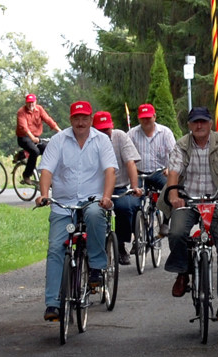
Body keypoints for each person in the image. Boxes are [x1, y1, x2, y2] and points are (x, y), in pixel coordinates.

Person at [160, 106, 218, 322]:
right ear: (189, 125)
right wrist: (173, 197)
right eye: (195, 122)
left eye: (203, 122)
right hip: (188, 199)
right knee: (177, 233)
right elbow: (174, 173)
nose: (199, 126)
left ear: (210, 123)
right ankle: (183, 273)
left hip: (217, 200)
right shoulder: (182, 144)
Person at [35, 101, 118, 321]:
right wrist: (44, 194)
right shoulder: (58, 141)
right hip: (64, 204)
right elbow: (46, 170)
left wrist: (107, 197)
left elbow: (110, 171)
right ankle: (53, 303)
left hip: (92, 200)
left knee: (93, 215)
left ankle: (96, 268)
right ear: (70, 120)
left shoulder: (101, 141)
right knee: (55, 249)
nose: (80, 122)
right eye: (76, 118)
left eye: (84, 118)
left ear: (91, 119)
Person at [92, 111, 142, 265]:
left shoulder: (120, 137)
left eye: (106, 129)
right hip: (97, 188)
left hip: (119, 186)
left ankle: (120, 245)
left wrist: (134, 186)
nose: (104, 133)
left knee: (125, 208)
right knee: (91, 214)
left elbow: (130, 162)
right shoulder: (89, 140)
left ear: (112, 126)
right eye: (100, 130)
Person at [127, 103, 176, 235]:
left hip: (160, 172)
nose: (146, 120)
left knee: (170, 190)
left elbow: (175, 154)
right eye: (143, 118)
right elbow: (125, 156)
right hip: (140, 174)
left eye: (148, 117)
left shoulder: (165, 133)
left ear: (154, 116)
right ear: (138, 118)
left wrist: (169, 168)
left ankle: (165, 222)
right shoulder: (132, 134)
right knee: (131, 203)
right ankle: (137, 234)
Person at [16, 93, 61, 185]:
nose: (31, 104)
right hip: (24, 137)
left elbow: (48, 120)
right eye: (29, 102)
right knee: (35, 151)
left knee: (48, 150)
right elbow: (24, 127)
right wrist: (32, 137)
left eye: (32, 102)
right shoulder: (21, 112)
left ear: (35, 102)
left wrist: (60, 131)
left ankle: (47, 174)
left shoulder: (39, 109)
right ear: (26, 103)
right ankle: (26, 175)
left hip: (36, 137)